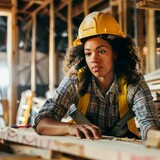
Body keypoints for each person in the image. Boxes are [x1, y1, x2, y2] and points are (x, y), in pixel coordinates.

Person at [33, 11, 160, 140]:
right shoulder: (75, 81)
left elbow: (149, 123)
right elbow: (41, 123)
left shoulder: (134, 82)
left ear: (115, 53)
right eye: (88, 53)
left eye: (101, 51)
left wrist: (156, 137)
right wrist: (69, 128)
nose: (94, 59)